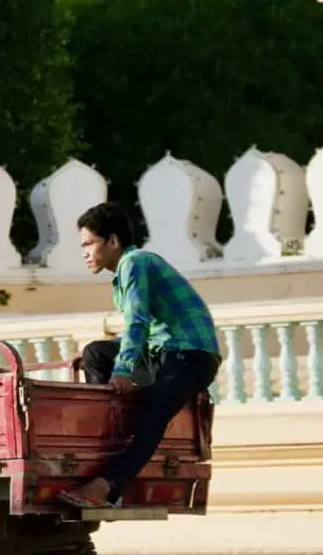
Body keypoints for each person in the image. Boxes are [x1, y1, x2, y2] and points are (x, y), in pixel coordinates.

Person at [59, 202, 221, 510]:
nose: (84, 252)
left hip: (190, 355)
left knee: (151, 421)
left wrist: (123, 369)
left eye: (90, 243)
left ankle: (104, 486)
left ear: (113, 241)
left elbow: (137, 323)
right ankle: (107, 425)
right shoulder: (123, 274)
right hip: (165, 351)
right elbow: (143, 331)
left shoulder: (135, 262)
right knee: (95, 352)